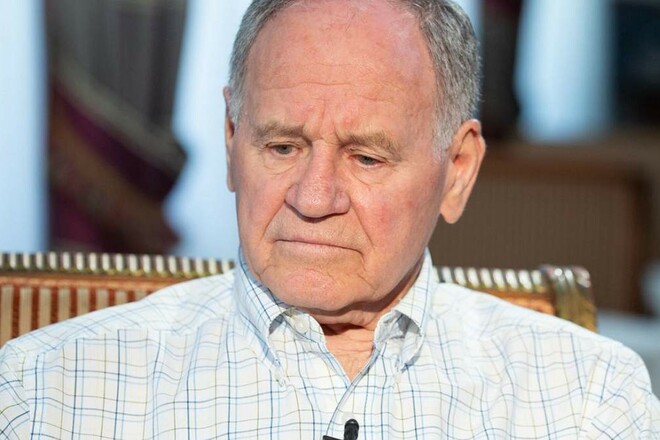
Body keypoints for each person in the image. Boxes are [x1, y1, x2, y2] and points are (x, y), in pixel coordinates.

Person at [1, 0, 658, 438]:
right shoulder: (48, 396)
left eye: (366, 158)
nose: (313, 199)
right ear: (231, 140)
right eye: (282, 147)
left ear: (458, 170)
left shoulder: (586, 399)